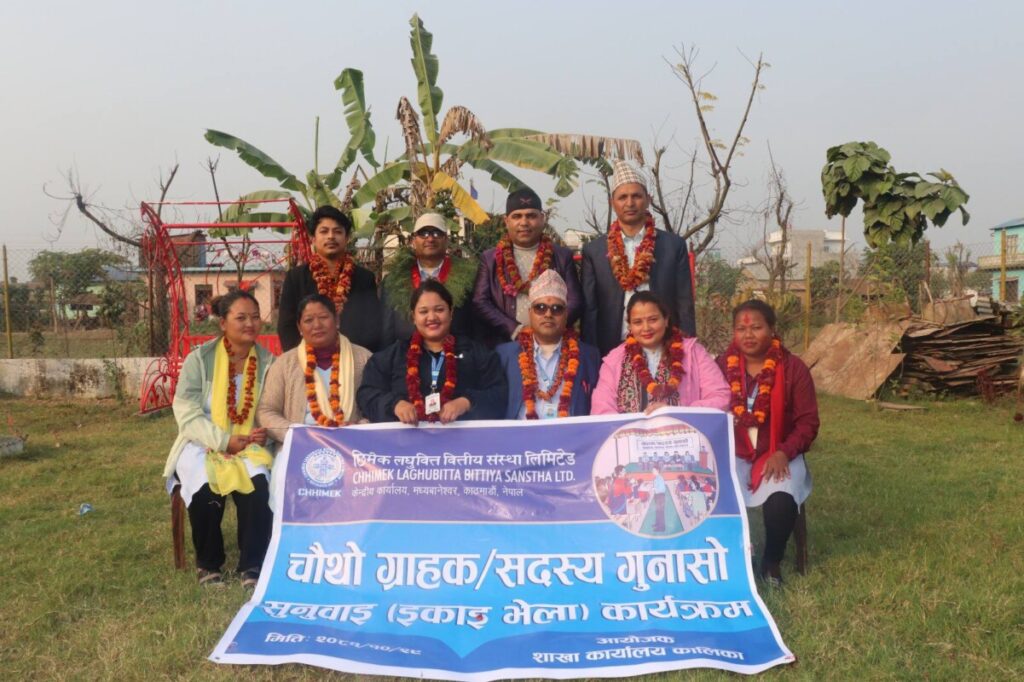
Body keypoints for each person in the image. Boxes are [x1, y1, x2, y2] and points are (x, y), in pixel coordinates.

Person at [163, 290, 275, 587]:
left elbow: (271, 409)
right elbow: (186, 411)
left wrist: (263, 431)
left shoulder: (269, 362)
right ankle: (209, 564)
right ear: (223, 323)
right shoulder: (200, 359)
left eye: (255, 317)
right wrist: (223, 441)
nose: (250, 323)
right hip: (202, 442)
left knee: (259, 489)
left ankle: (252, 565)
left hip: (249, 444)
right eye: (241, 318)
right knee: (205, 489)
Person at [716, 299, 819, 585]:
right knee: (713, 492)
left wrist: (784, 452)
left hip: (779, 450)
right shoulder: (721, 366)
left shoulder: (793, 368)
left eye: (756, 328)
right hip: (733, 451)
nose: (748, 335)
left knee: (780, 500)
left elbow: (808, 423)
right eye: (741, 329)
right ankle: (737, 557)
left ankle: (771, 562)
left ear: (772, 329)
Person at [581, 160, 696, 356]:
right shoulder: (594, 251)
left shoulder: (673, 246)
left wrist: (688, 347)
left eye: (636, 196)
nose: (630, 203)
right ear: (612, 203)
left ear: (648, 199)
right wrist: (591, 354)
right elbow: (590, 310)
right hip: (613, 348)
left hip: (664, 345)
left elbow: (684, 303)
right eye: (622, 197)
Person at [357, 280, 507, 424]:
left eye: (439, 310)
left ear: (451, 313)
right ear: (413, 317)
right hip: (405, 439)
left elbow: (500, 393)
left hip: (462, 439)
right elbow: (366, 395)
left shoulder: (477, 353)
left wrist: (466, 402)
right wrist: (395, 405)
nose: (432, 317)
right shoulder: (392, 356)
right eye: (423, 311)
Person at [472, 187, 582, 347]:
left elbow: (575, 301)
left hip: (552, 344)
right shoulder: (490, 259)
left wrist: (547, 330)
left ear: (542, 218)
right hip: (505, 344)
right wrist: (515, 330)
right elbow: (480, 301)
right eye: (517, 216)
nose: (524, 222)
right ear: (506, 221)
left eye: (531, 216)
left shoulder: (561, 256)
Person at [257, 294, 372, 443]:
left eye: (323, 317)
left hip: (351, 443)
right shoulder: (285, 364)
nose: (317, 325)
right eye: (308, 320)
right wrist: (297, 434)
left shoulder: (364, 359)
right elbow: (266, 410)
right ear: (299, 327)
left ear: (337, 320)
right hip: (300, 443)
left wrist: (358, 427)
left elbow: (376, 406)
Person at [591, 291, 729, 415]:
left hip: (682, 433)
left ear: (666, 320)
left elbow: (720, 396)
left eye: (653, 320)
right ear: (630, 326)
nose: (646, 328)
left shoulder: (694, 352)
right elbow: (601, 409)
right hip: (629, 434)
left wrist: (676, 412)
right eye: (638, 322)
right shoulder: (614, 360)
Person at [496, 269, 600, 419]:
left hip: (570, 433)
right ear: (530, 313)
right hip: (521, 432)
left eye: (557, 309)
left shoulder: (589, 356)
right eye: (540, 308)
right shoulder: (505, 355)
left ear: (566, 315)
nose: (548, 314)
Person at [277, 205, 382, 353]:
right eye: (324, 231)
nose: (331, 236)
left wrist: (360, 357)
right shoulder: (296, 278)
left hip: (354, 357)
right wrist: (299, 358)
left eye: (337, 231)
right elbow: (286, 326)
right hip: (308, 359)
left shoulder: (364, 278)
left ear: (347, 238)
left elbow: (373, 325)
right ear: (313, 238)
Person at [380, 212, 478, 344]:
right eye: (423, 233)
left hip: (456, 351)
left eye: (437, 233)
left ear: (446, 240)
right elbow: (386, 331)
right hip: (405, 353)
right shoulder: (393, 281)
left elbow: (476, 326)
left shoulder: (467, 279)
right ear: (413, 240)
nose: (430, 239)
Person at [651, 465, 667, 532]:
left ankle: (661, 528)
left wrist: (654, 489)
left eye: (653, 470)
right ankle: (657, 524)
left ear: (657, 471)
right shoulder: (657, 478)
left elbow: (663, 489)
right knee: (658, 511)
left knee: (660, 512)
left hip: (660, 496)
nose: (652, 471)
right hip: (657, 496)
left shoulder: (660, 478)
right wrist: (654, 488)